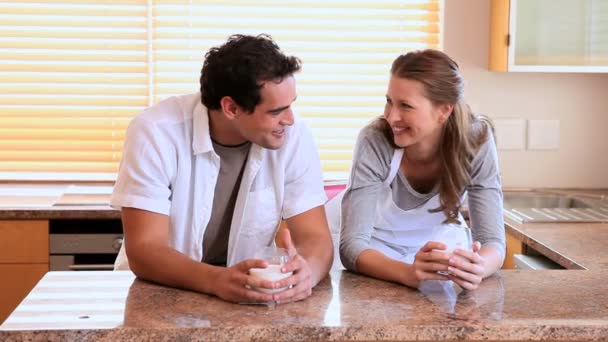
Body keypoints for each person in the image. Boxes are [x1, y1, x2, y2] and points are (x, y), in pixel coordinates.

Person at [111, 34, 333, 304]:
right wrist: (216, 280)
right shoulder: (155, 132)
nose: (289, 119)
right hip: (160, 292)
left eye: (291, 105)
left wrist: (306, 273)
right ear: (231, 108)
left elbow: (316, 238)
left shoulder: (293, 136)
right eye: (276, 111)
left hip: (245, 296)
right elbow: (145, 249)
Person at [339, 49, 505, 291]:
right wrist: (407, 273)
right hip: (377, 253)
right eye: (389, 101)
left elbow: (493, 243)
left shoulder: (476, 140)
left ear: (444, 111)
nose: (391, 116)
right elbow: (352, 246)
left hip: (442, 250)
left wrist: (479, 267)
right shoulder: (375, 140)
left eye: (405, 106)